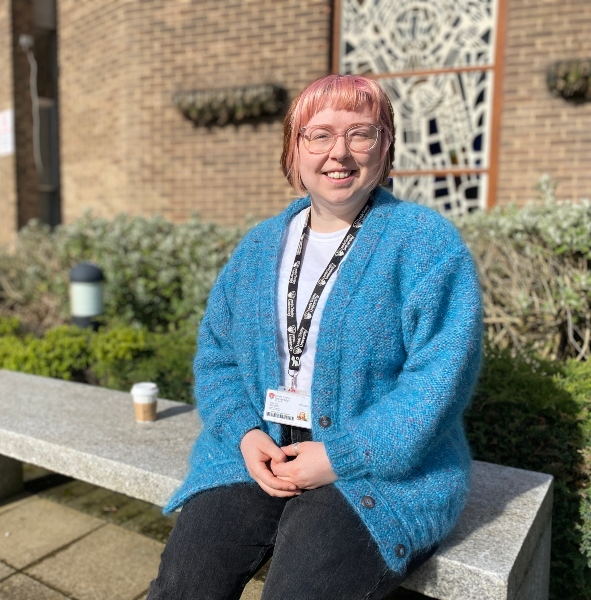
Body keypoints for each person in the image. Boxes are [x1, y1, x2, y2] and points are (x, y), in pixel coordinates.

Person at [147, 74, 484, 600]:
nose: (340, 154)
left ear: (386, 146)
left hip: (375, 471)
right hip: (263, 451)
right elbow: (217, 357)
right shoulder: (259, 247)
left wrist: (340, 456)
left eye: (361, 134)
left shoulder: (424, 244)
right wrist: (243, 433)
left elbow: (439, 379)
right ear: (294, 148)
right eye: (320, 134)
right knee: (185, 582)